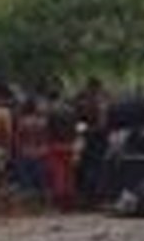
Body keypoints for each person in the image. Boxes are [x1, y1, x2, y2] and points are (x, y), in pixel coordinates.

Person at [74, 76, 111, 206]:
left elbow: (101, 123)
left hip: (94, 138)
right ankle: (94, 197)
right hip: (97, 138)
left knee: (92, 167)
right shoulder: (102, 99)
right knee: (94, 167)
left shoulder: (98, 101)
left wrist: (86, 130)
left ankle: (93, 197)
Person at [45, 89, 78, 210]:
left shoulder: (51, 111)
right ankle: (70, 201)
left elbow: (49, 130)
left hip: (56, 145)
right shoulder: (72, 110)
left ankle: (59, 202)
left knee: (58, 174)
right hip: (70, 145)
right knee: (70, 175)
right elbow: (76, 129)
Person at [12, 97, 50, 202]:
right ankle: (44, 201)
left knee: (26, 179)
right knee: (41, 178)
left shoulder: (22, 122)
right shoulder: (43, 122)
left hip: (25, 152)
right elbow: (46, 137)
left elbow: (18, 138)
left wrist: (16, 151)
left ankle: (30, 201)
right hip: (41, 152)